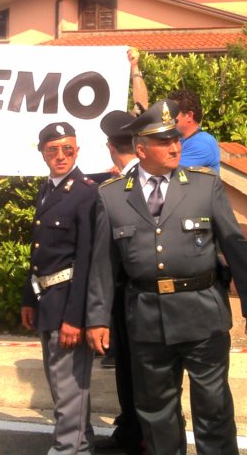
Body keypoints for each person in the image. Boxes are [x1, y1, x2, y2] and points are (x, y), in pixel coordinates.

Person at [87, 100, 247, 455]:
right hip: (145, 318)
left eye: (176, 139)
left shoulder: (204, 186)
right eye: (163, 141)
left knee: (214, 409)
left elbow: (234, 246)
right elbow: (102, 265)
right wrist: (97, 318)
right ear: (140, 149)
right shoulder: (111, 197)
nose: (175, 147)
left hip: (202, 314)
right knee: (156, 413)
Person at [21, 122, 97, 455]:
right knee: (59, 383)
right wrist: (29, 298)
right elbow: (40, 253)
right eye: (53, 150)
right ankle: (81, 443)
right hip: (46, 299)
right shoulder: (47, 189)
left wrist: (76, 318)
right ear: (42, 153)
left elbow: (86, 262)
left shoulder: (85, 192)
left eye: (68, 149)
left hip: (68, 302)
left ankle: (68, 449)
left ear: (77, 151)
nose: (61, 156)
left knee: (68, 388)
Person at [91, 110, 143, 455]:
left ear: (110, 147)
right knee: (129, 365)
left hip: (133, 291)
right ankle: (131, 428)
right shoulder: (136, 179)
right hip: (134, 291)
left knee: (138, 369)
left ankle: (138, 434)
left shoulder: (118, 186)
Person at [169, 88, 220, 170]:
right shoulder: (180, 139)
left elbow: (170, 172)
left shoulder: (202, 143)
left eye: (173, 114)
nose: (168, 119)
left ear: (189, 116)